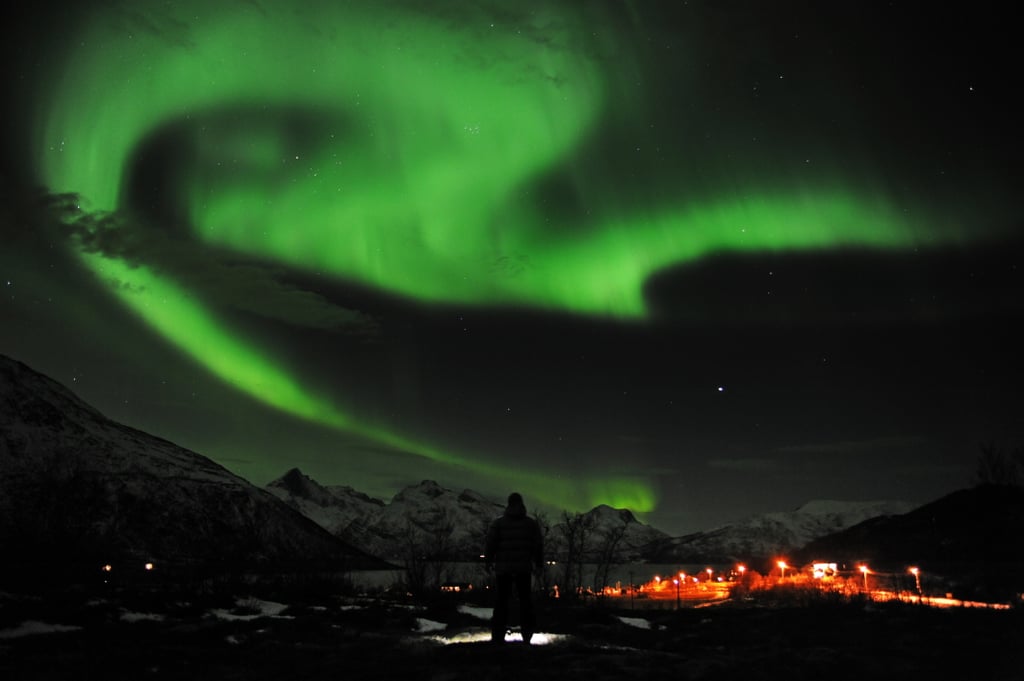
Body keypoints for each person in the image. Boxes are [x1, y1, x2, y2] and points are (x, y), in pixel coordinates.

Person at [484, 492, 543, 644]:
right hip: (524, 569)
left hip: (503, 569)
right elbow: (538, 546)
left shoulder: (499, 524)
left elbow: (490, 544)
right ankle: (527, 636)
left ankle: (498, 637)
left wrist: (488, 561)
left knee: (502, 602)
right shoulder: (531, 524)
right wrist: (539, 564)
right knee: (525, 602)